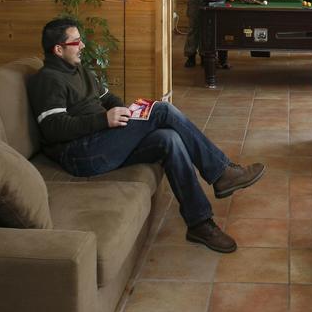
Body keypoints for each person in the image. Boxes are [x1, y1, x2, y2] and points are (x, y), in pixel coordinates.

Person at [27, 18, 265, 253]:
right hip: (80, 154)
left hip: (100, 141)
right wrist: (103, 119)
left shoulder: (79, 70)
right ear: (58, 49)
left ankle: (199, 223)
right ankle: (222, 172)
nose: (83, 46)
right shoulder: (48, 80)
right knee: (162, 110)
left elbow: (108, 99)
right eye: (76, 42)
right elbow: (53, 127)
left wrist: (124, 113)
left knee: (168, 139)